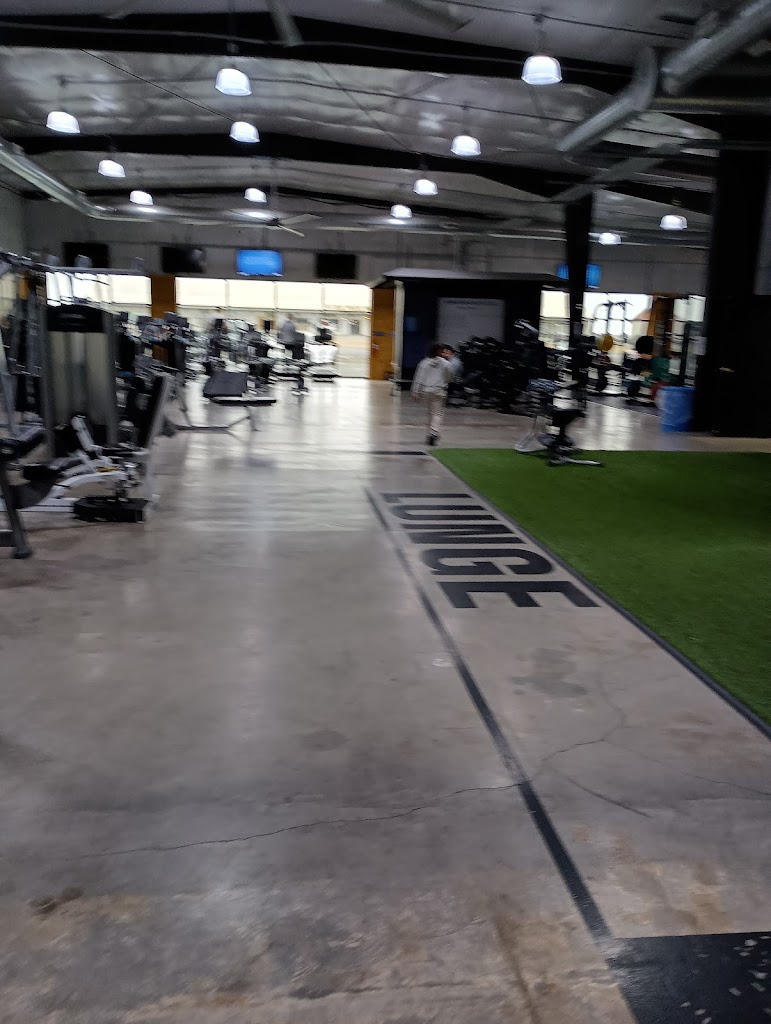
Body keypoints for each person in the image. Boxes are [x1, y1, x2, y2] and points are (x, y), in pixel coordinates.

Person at [411, 343, 454, 446]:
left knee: (430, 413)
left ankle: (430, 432)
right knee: (437, 413)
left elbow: (418, 378)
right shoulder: (446, 364)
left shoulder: (424, 363)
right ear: (440, 351)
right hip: (439, 390)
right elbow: (449, 378)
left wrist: (415, 391)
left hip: (426, 391)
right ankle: (434, 432)